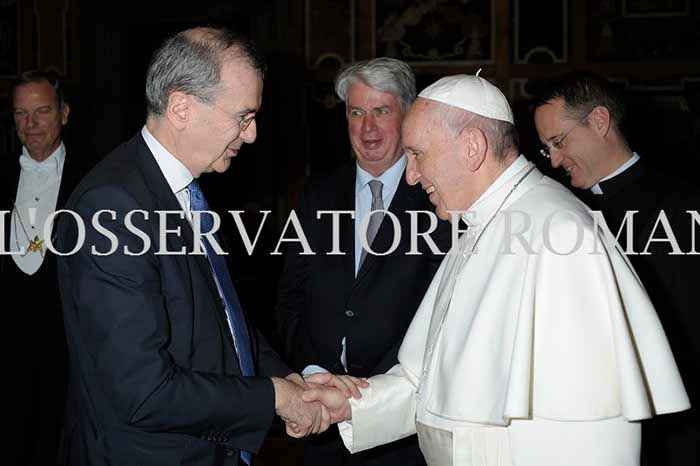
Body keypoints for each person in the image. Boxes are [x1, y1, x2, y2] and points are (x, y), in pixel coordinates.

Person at [302, 73, 690, 466]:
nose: (411, 176)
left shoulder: (560, 234)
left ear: (472, 147)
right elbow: (432, 384)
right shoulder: (478, 224)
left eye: (418, 154)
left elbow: (591, 433)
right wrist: (352, 405)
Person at [55, 27, 362, 466]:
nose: (251, 135)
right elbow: (141, 392)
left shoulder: (182, 188)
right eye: (243, 116)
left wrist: (294, 381)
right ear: (181, 108)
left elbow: (221, 321)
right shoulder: (112, 208)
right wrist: (275, 396)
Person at [275, 57, 449, 466]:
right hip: (322, 418)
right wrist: (313, 372)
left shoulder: (438, 197)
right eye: (356, 112)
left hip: (401, 428)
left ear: (407, 115)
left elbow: (444, 312)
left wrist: (374, 394)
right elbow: (290, 298)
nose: (368, 127)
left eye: (381, 111)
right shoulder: (318, 195)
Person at [533, 71, 700, 465]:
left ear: (599, 121)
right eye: (547, 149)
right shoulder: (557, 211)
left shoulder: (685, 204)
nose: (554, 160)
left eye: (559, 142)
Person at [0, 70, 86, 466]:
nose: (30, 124)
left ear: (64, 113)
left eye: (42, 111)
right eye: (21, 113)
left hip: (69, 354)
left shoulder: (93, 181)